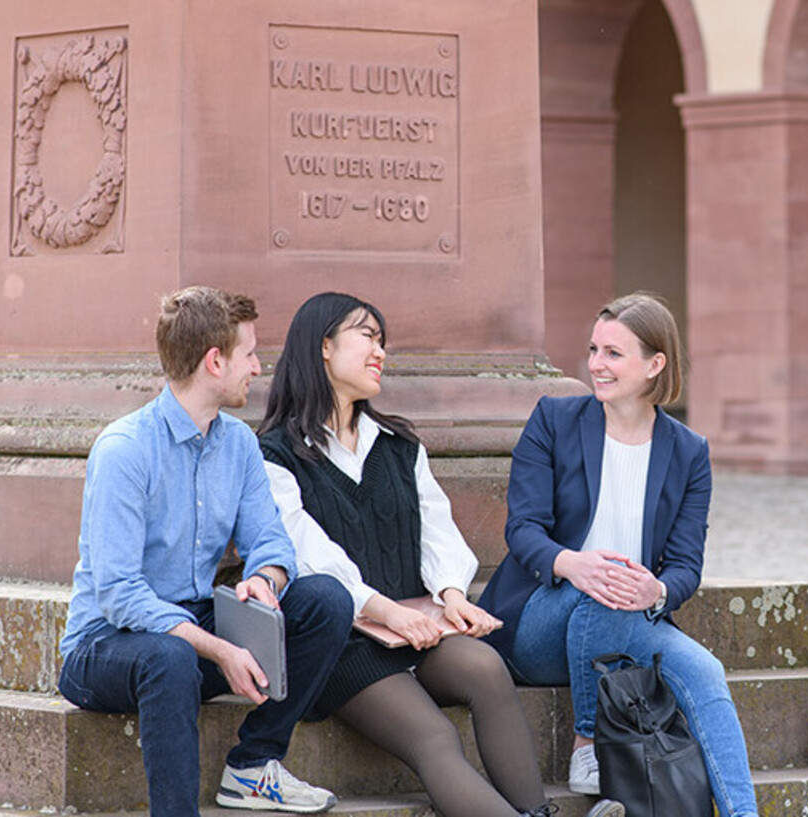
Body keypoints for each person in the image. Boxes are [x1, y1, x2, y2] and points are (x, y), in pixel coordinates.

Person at [254, 292, 602, 817]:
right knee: (435, 737)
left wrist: (453, 596)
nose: (381, 352)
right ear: (324, 346)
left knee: (487, 668)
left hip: (417, 625)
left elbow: (437, 530)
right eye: (368, 336)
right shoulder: (275, 454)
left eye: (383, 341)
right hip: (342, 644)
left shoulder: (398, 444)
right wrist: (385, 611)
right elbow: (307, 554)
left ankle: (537, 813)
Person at [56, 285, 353, 815]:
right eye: (250, 354)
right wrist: (219, 650)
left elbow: (271, 539)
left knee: (328, 599)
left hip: (192, 631)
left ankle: (253, 766)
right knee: (169, 656)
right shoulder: (124, 451)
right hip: (105, 646)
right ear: (215, 362)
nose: (259, 368)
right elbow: (120, 595)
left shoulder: (238, 443)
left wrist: (266, 579)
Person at [478, 292, 761, 817]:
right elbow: (522, 529)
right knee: (605, 582)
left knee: (706, 671)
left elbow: (684, 566)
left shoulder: (688, 451)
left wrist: (657, 589)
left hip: (630, 613)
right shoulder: (554, 421)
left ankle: (745, 813)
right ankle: (589, 746)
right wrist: (573, 563)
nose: (595, 364)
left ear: (655, 364)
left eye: (613, 353)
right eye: (593, 349)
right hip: (542, 620)